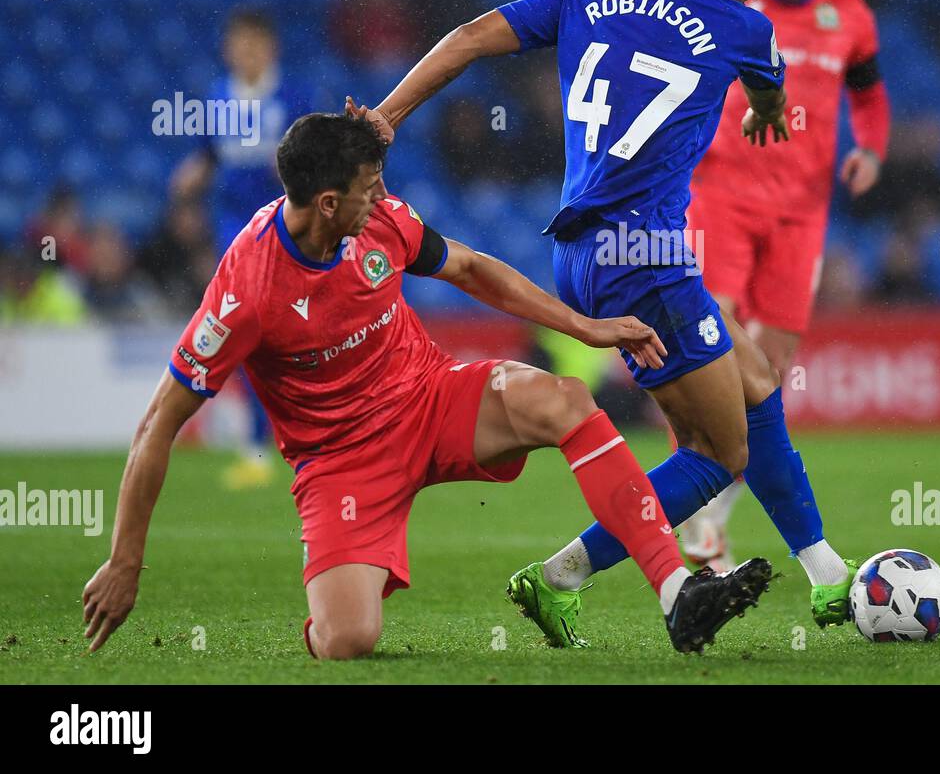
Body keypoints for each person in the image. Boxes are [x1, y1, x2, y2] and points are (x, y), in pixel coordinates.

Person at [347, 0, 857, 647]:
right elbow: (771, 84)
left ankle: (825, 573)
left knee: (755, 383)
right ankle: (560, 576)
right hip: (647, 258)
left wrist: (386, 115)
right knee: (719, 452)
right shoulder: (744, 26)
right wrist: (768, 111)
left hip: (579, 253)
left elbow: (466, 37)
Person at [81, 114, 773, 659]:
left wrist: (581, 325)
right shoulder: (247, 292)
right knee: (350, 638)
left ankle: (675, 590)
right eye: (366, 187)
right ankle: (333, 604)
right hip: (340, 459)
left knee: (565, 399)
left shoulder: (380, 221)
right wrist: (124, 560)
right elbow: (158, 425)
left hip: (430, 396)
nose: (381, 195)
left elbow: (471, 269)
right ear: (327, 201)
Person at [678, 0, 891, 570]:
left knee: (770, 373)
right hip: (724, 198)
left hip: (803, 213)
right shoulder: (736, 0)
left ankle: (708, 509)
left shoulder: (850, 16)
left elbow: (870, 95)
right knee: (715, 352)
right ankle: (696, 516)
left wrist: (872, 147)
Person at [171, 8, 315, 488]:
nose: (244, 52)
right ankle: (257, 447)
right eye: (237, 43)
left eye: (253, 44)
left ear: (269, 47)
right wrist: (196, 173)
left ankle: (281, 440)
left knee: (274, 337)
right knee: (249, 335)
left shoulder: (292, 97)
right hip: (234, 233)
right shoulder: (218, 96)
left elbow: (314, 161)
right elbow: (211, 153)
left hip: (284, 231)